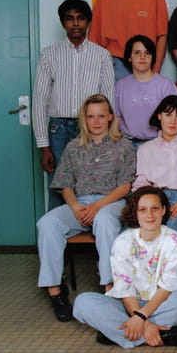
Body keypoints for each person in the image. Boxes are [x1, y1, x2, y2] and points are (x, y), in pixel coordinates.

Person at [36, 94, 135, 322]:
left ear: (110, 117)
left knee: (105, 220)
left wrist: (98, 206)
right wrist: (75, 206)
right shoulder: (73, 147)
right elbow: (65, 184)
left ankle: (110, 288)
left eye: (101, 116)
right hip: (79, 202)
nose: (96, 121)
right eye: (91, 117)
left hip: (111, 202)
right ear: (84, 119)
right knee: (47, 223)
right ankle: (55, 291)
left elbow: (125, 186)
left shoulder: (124, 146)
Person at [72, 186, 177, 347]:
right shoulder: (123, 241)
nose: (149, 215)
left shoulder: (175, 240)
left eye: (155, 208)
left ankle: (121, 332)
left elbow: (169, 287)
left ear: (163, 210)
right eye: (143, 210)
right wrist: (143, 322)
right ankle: (155, 333)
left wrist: (141, 317)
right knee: (83, 302)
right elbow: (124, 288)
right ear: (135, 213)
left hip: (160, 303)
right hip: (127, 304)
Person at [33, 0, 115, 211]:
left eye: (80, 18)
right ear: (63, 23)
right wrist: (44, 147)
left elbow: (108, 100)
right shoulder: (49, 55)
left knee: (89, 184)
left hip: (90, 128)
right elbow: (40, 101)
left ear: (88, 21)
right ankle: (55, 229)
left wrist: (107, 137)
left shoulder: (101, 55)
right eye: (70, 19)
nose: (76, 23)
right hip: (58, 130)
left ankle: (87, 230)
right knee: (58, 186)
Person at [133, 95, 177, 236]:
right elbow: (141, 182)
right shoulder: (145, 149)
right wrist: (150, 207)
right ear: (159, 116)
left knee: (171, 233)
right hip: (154, 199)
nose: (173, 121)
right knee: (136, 233)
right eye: (168, 115)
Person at [114, 35, 177, 148]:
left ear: (152, 57)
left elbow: (176, 118)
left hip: (157, 144)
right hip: (126, 145)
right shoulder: (120, 86)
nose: (142, 57)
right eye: (137, 53)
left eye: (147, 53)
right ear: (129, 57)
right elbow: (116, 119)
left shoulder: (166, 85)